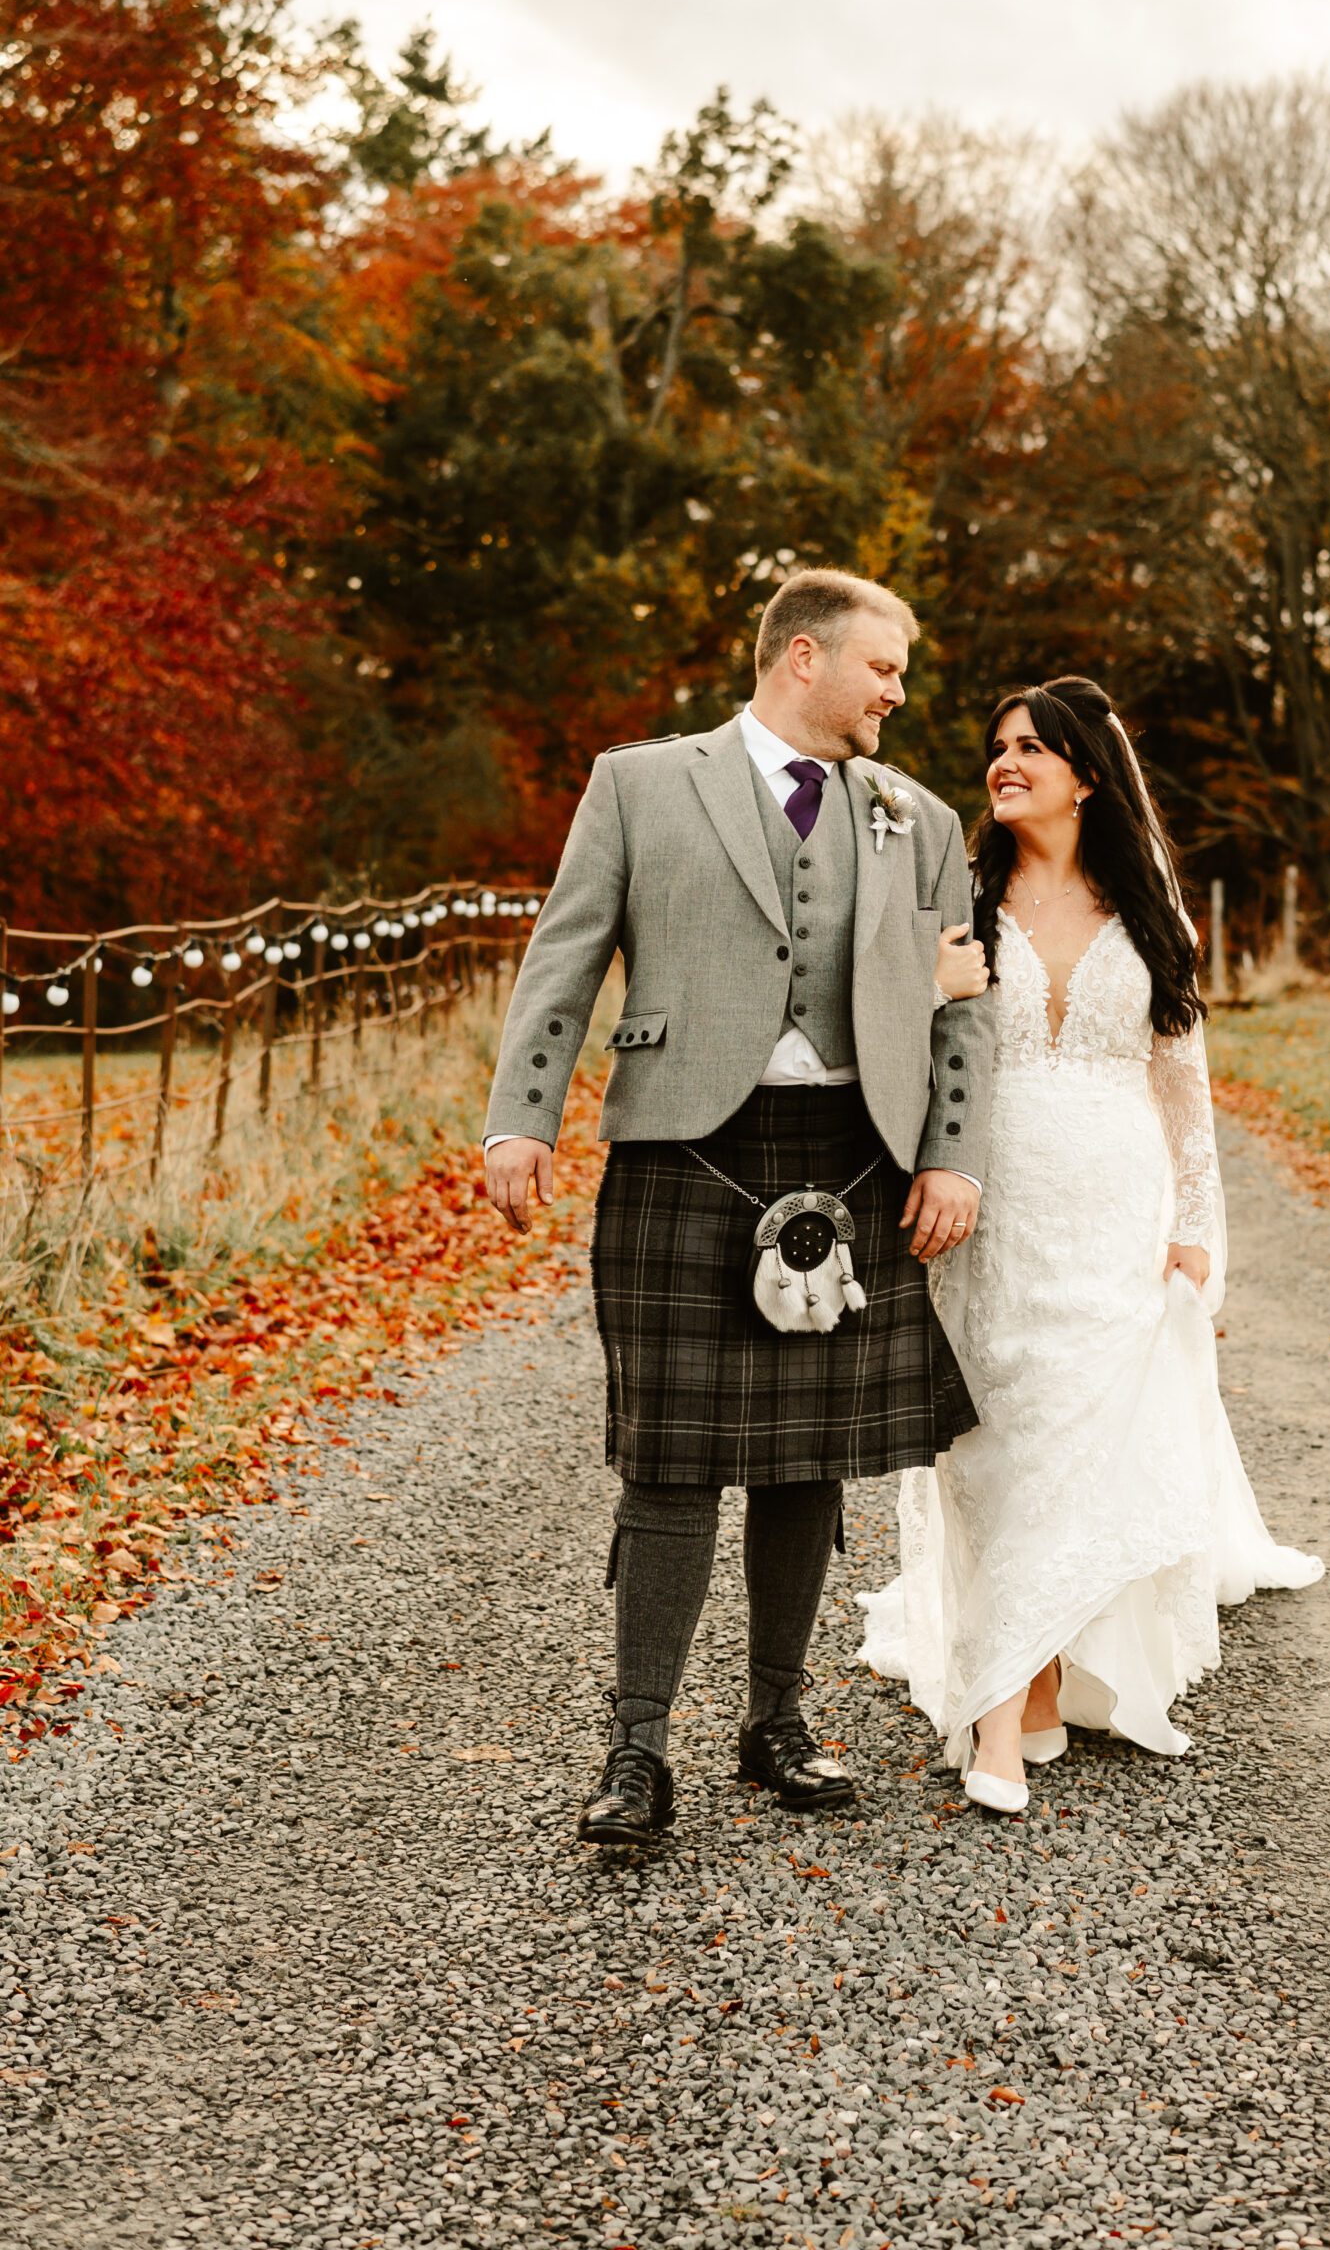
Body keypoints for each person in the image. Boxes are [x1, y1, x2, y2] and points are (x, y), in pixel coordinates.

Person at [483, 569, 995, 1846]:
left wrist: (955, 1155)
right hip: (685, 1146)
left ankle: (777, 1723)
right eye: (884, 668)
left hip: (858, 1150)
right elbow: (566, 952)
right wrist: (520, 1115)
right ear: (804, 656)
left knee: (810, 1458)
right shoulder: (642, 783)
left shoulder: (916, 818)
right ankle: (637, 1746)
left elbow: (963, 1007)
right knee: (670, 1459)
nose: (899, 692)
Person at [860, 675, 1322, 1814]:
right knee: (995, 1442)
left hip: (1117, 1207)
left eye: (1031, 748)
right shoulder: (959, 894)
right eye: (996, 746)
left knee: (1078, 1436)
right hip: (991, 1201)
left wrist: (1201, 1231)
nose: (1004, 763)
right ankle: (1016, 1681)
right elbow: (886, 1029)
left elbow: (1184, 1084)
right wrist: (922, 985)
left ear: (1087, 775)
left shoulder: (1148, 907)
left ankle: (1006, 1706)